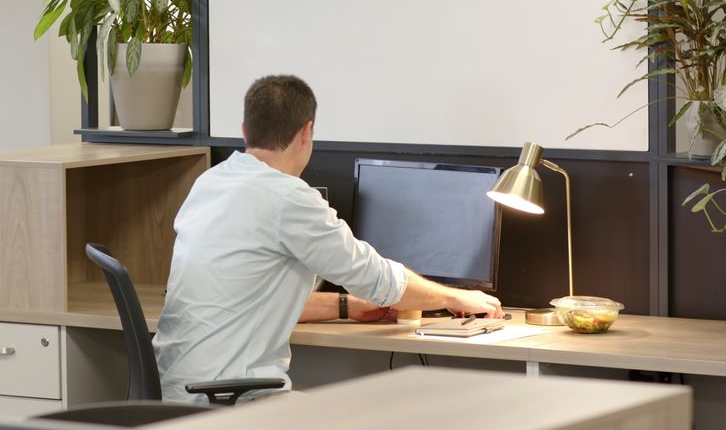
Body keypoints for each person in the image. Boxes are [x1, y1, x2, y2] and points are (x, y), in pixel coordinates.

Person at [152, 74, 503, 404]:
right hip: (232, 400)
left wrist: (345, 307)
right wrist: (457, 296)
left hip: (176, 394)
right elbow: (382, 282)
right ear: (307, 132)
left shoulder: (210, 183)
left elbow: (247, 299)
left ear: (245, 131)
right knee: (381, 413)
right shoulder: (288, 198)